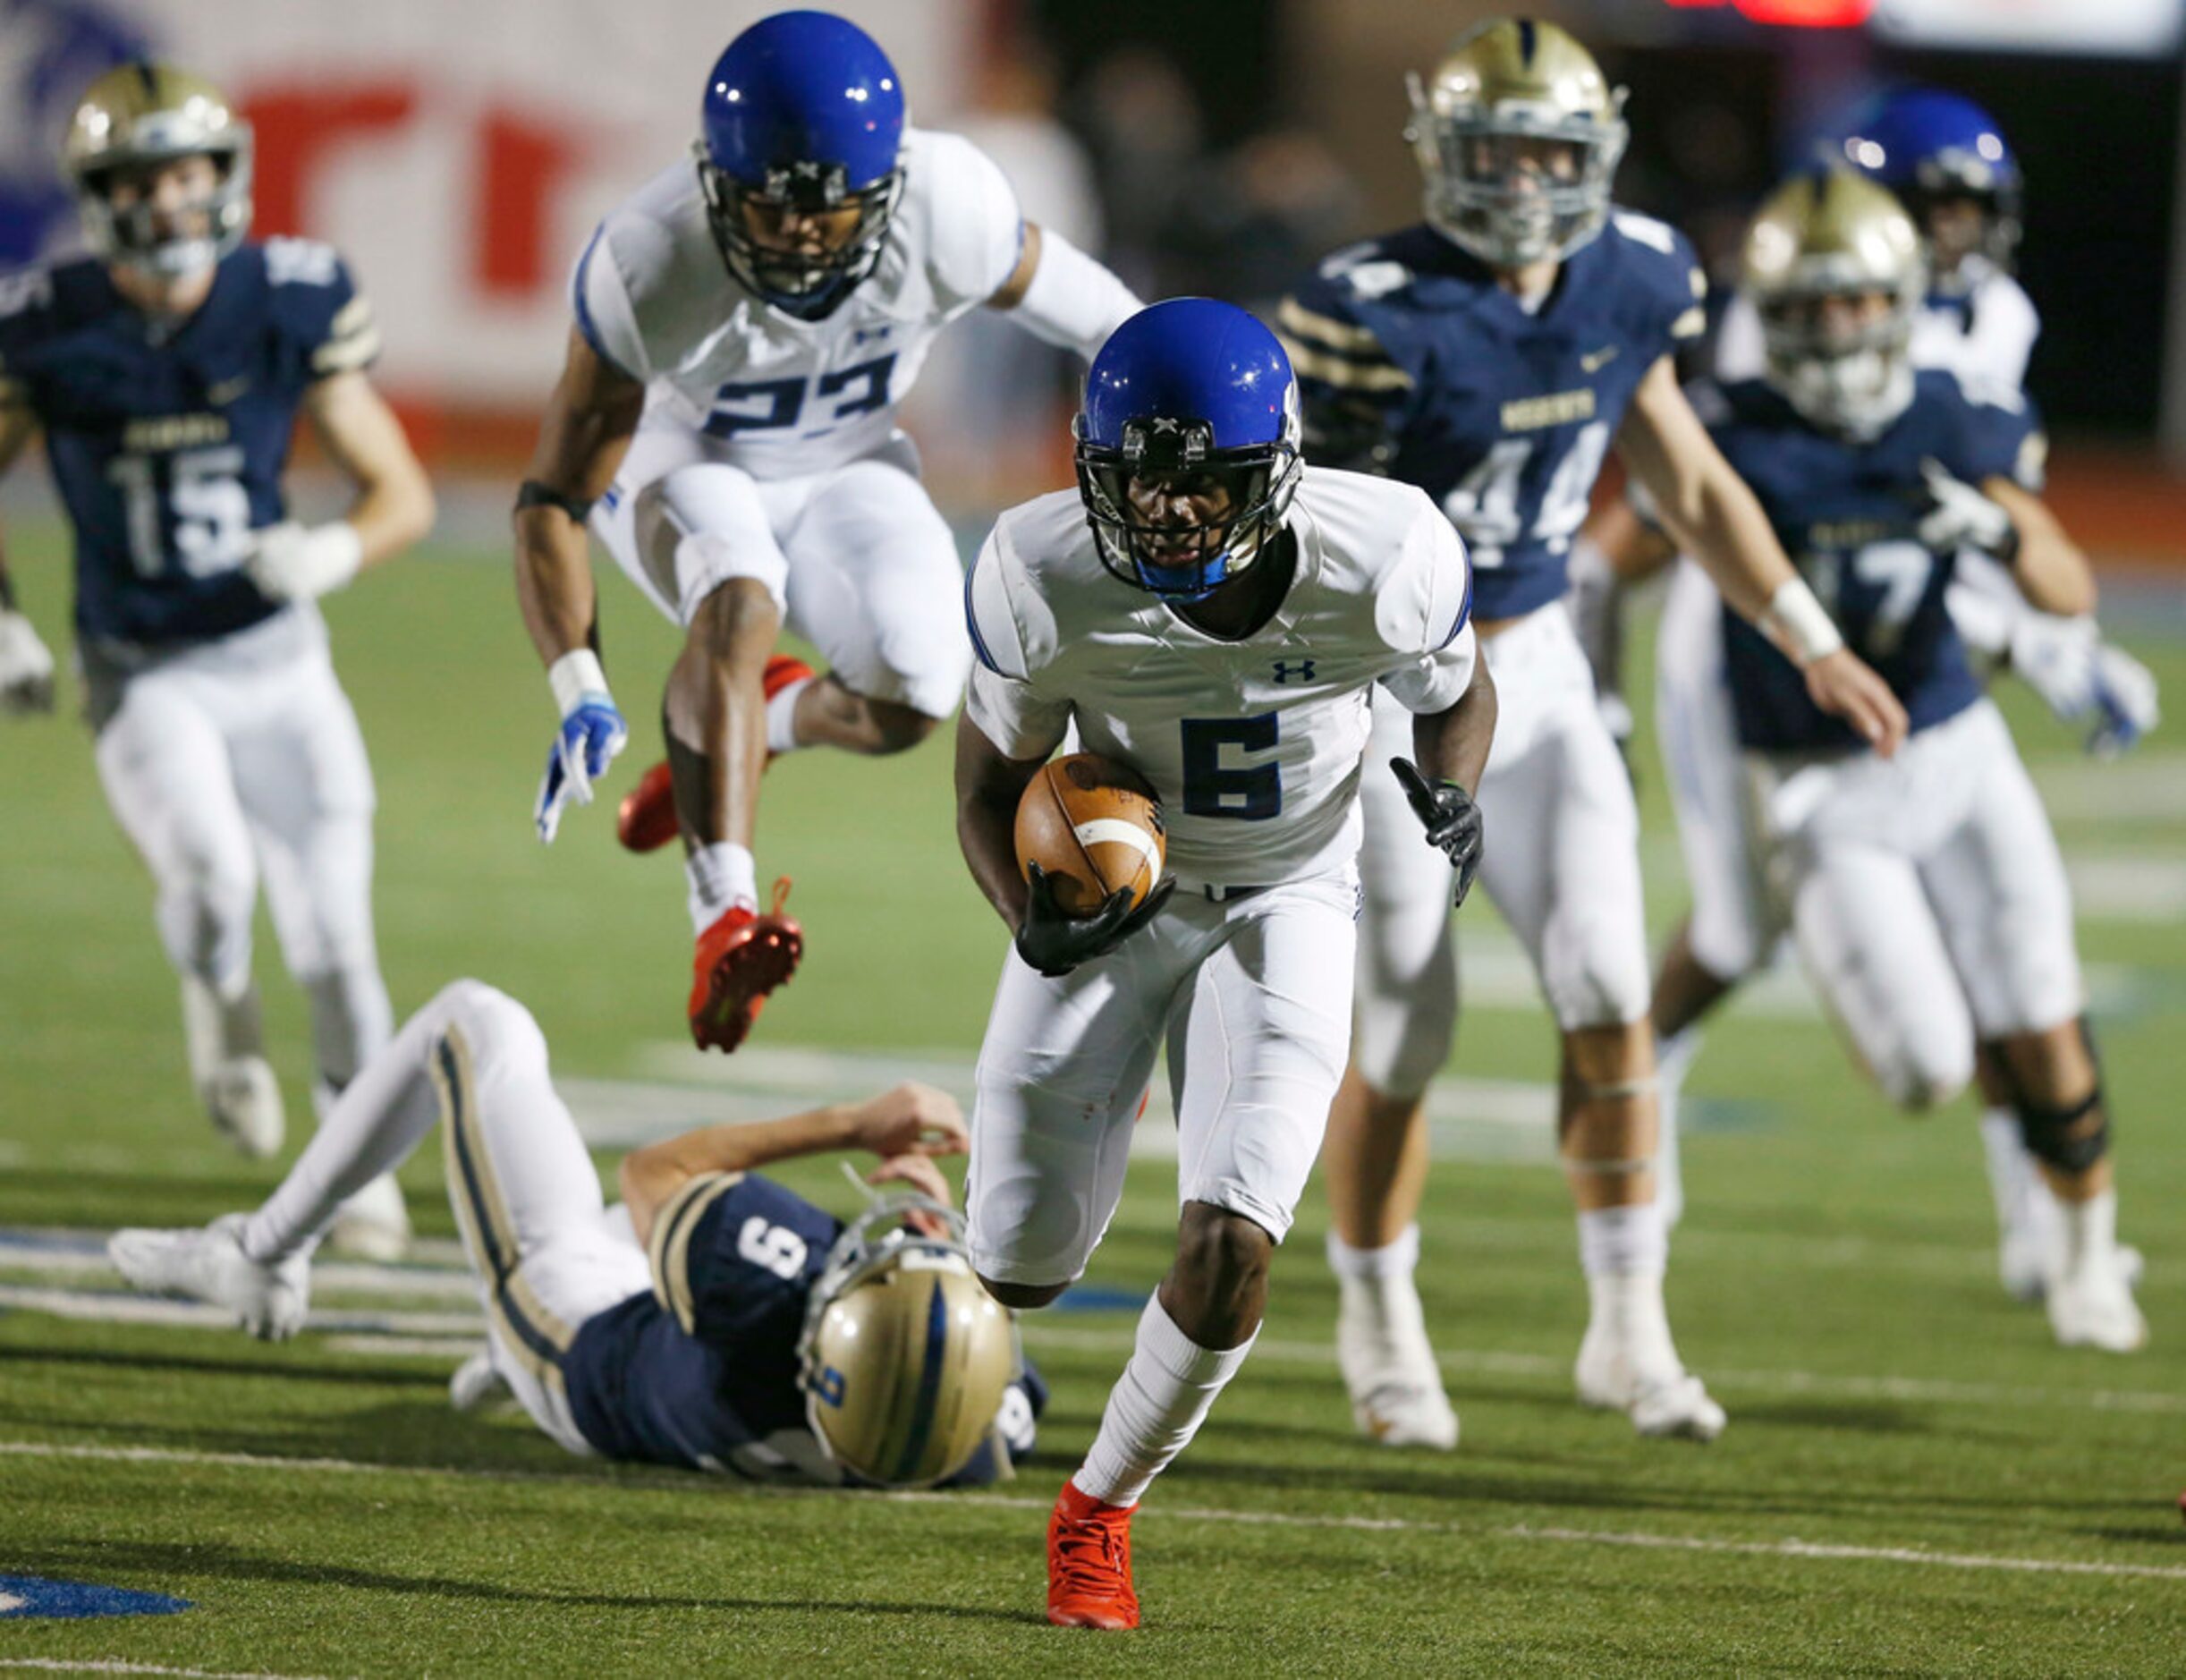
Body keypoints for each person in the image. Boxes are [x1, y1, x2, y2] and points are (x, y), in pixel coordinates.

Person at [1274, 18, 1904, 1450]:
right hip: (1392, 691)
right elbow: (1295, 533)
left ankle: (1630, 1333)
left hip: (1546, 667)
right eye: (1494, 151)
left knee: (1613, 990)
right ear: (1445, 155)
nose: (1522, 180)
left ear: (1596, 154)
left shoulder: (1638, 273)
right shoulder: (1369, 309)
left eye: (1548, 150)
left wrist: (1808, 636)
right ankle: (1381, 1316)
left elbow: (1682, 474)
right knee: (1405, 1025)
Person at [956, 298, 1497, 1628]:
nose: (1173, 514)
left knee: (1232, 1239)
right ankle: (944, 1185)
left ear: (1278, 471)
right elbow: (985, 784)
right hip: (1112, 889)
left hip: (1289, 891)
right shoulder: (1040, 570)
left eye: (1207, 483)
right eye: (1142, 479)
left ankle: (1096, 1515)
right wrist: (1029, 915)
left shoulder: (1386, 556)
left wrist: (1451, 789)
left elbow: (1459, 693)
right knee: (1017, 1269)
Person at [1574, 89, 2157, 1300]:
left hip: (1920, 660)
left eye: (1965, 209)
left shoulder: (1988, 333)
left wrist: (2048, 630)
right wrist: (1607, 698)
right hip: (1752, 632)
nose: (1950, 235)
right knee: (1740, 927)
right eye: (1926, 207)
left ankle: (2052, 1230)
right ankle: (1646, 1080)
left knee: (2017, 964)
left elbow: (2013, 534)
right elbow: (1702, 523)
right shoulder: (1751, 373)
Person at [511, 10, 1140, 1055]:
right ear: (714, 185)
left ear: (887, 190)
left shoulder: (952, 204)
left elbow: (1103, 319)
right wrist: (575, 677)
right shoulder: (649, 259)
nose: (802, 235)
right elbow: (551, 494)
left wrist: (1178, 414)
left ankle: (768, 719)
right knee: (737, 593)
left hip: (849, 455)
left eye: (829, 209)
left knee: (914, 691)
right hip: (686, 455)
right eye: (772, 207)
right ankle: (723, 915)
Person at [0, 64, 434, 1258]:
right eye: (145, 177)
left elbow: (398, 488)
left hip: (280, 658)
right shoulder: (48, 321)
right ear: (104, 194)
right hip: (144, 667)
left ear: (223, 177)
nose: (172, 198)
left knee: (338, 933)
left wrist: (333, 553)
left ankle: (352, 1154)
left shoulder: (288, 297)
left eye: (188, 171)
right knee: (205, 872)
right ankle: (220, 1011)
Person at [110, 977, 1046, 1485]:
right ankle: (497, 1351)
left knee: (475, 1022)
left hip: (573, 1333)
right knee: (666, 1243)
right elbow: (943, 1361)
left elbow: (656, 1175)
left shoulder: (763, 1299)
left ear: (820, 1329)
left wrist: (850, 1124)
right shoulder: (969, 1433)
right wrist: (933, 1257)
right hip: (678, 1347)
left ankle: (261, 1255)